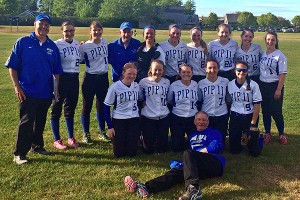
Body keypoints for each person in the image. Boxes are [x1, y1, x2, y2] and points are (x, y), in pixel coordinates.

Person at [124, 111, 225, 200]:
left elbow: (216, 146)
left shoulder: (214, 132)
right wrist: (184, 165)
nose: (201, 122)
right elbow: (191, 159)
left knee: (188, 153)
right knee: (175, 174)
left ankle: (193, 189)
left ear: (208, 122)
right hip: (200, 168)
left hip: (215, 163)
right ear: (194, 122)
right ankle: (147, 188)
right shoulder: (192, 136)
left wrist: (196, 154)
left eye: (204, 120)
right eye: (198, 119)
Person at [5, 13, 63, 164]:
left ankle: (37, 146)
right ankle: (19, 154)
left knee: (40, 121)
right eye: (41, 23)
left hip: (45, 92)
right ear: (34, 24)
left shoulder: (52, 46)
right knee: (27, 122)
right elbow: (12, 66)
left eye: (46, 24)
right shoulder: (23, 42)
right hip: (27, 91)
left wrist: (56, 90)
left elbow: (56, 71)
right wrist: (17, 87)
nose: (43, 26)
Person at [50, 21, 80, 150]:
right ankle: (56, 139)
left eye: (71, 30)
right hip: (61, 78)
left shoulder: (77, 43)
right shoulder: (57, 44)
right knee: (56, 108)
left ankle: (70, 137)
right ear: (61, 32)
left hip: (74, 78)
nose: (69, 33)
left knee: (70, 108)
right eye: (66, 31)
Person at [79, 21, 110, 144]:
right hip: (90, 78)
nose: (97, 32)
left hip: (103, 78)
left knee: (101, 106)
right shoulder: (84, 46)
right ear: (90, 32)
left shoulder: (105, 42)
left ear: (102, 31)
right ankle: (85, 134)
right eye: (94, 30)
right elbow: (80, 59)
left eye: (99, 29)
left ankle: (102, 132)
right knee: (87, 106)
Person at [227, 61, 263, 156]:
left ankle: (259, 138)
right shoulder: (230, 84)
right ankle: (240, 138)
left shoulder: (253, 85)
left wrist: (253, 123)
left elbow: (257, 104)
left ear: (247, 71)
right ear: (235, 71)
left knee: (254, 153)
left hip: (249, 116)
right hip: (236, 116)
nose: (241, 72)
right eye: (239, 70)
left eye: (244, 70)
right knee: (234, 150)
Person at [104, 63, 140, 158]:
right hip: (119, 119)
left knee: (132, 153)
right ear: (123, 73)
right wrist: (110, 127)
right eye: (129, 73)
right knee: (119, 153)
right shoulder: (115, 87)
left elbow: (141, 100)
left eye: (134, 74)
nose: (132, 76)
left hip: (134, 118)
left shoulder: (136, 86)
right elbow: (106, 107)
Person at [259, 31, 288, 144]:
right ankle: (267, 132)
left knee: (276, 111)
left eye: (273, 40)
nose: (270, 41)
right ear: (265, 40)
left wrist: (278, 89)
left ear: (276, 41)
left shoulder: (280, 55)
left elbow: (282, 74)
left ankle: (281, 133)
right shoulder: (262, 53)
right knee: (265, 110)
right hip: (263, 85)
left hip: (274, 85)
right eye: (268, 39)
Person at [138, 60, 170, 154]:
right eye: (155, 69)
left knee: (162, 149)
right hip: (148, 117)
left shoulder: (167, 82)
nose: (157, 72)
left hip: (163, 116)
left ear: (163, 71)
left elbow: (169, 98)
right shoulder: (143, 82)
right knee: (148, 150)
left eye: (160, 70)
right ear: (151, 70)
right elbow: (139, 96)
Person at [167, 64, 198, 152]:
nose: (186, 74)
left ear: (192, 73)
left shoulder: (195, 84)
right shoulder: (174, 85)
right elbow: (169, 99)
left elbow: (199, 98)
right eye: (183, 72)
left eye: (188, 72)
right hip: (177, 117)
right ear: (180, 74)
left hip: (192, 117)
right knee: (176, 148)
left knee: (194, 146)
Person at [198, 59, 229, 144]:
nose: (212, 70)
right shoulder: (201, 83)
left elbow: (228, 98)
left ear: (218, 69)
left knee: (220, 140)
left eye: (215, 68)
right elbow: (199, 99)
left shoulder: (225, 81)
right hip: (206, 115)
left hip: (221, 114)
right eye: (210, 68)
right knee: (206, 140)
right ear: (206, 69)